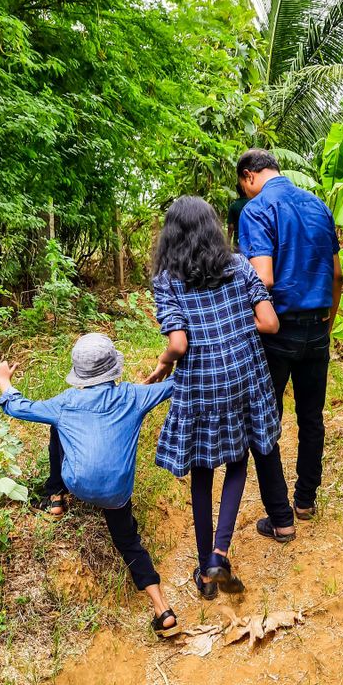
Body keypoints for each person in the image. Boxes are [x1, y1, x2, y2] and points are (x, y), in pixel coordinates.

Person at [0, 333, 181, 638]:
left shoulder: (65, 403)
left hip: (77, 484)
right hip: (117, 492)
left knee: (57, 428)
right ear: (113, 368)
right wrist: (172, 361)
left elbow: (18, 407)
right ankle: (163, 609)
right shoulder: (134, 396)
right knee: (128, 541)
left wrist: (3, 379)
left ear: (78, 373)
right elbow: (176, 386)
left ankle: (55, 496)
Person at [146, 196, 281, 600]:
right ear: (212, 228)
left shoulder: (168, 280)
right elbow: (270, 322)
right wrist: (233, 332)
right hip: (242, 373)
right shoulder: (239, 265)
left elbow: (179, 344)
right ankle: (220, 553)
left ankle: (207, 573)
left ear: (171, 235)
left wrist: (163, 363)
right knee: (238, 459)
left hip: (201, 384)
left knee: (202, 471)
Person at [237, 148, 343, 540]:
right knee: (311, 418)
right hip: (317, 327)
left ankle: (280, 517)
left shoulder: (258, 209)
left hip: (276, 331)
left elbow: (262, 278)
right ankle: (305, 501)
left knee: (265, 422)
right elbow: (337, 274)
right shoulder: (318, 206)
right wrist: (328, 321)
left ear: (249, 176)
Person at [227, 183, 249, 251]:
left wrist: (227, 245)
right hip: (252, 239)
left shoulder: (233, 206)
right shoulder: (253, 202)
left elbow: (231, 227)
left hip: (238, 240)